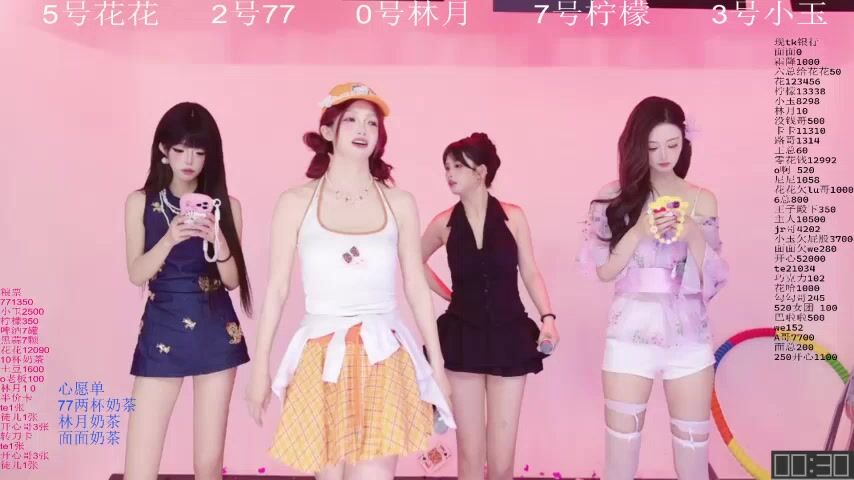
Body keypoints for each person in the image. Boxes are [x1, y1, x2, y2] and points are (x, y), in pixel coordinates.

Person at [244, 82, 455, 480]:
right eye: (352, 120)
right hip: (321, 356)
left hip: (384, 354)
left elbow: (415, 287)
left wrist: (438, 369)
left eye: (372, 123)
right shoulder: (295, 202)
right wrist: (260, 371)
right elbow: (276, 290)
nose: (363, 129)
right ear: (328, 130)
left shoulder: (400, 203)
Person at [578, 96, 728, 480]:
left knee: (693, 461)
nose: (663, 156)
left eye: (672, 145)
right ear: (636, 146)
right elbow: (604, 271)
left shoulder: (702, 199)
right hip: (629, 333)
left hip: (689, 337)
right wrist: (639, 230)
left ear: (684, 143)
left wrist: (692, 233)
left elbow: (712, 280)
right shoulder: (613, 197)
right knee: (620, 463)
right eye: (653, 146)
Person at [123, 102, 251, 480]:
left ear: (210, 155)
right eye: (180, 149)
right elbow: (136, 273)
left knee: (208, 464)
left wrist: (218, 239)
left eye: (198, 151)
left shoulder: (227, 207)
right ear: (163, 150)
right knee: (139, 466)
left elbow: (232, 281)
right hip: (161, 329)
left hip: (215, 332)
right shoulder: (140, 202)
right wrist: (169, 238)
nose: (189, 160)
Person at [421, 132, 559, 480]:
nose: (449, 174)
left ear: (481, 171)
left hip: (509, 337)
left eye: (458, 166)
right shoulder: (443, 223)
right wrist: (447, 294)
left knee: (502, 458)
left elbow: (530, 271)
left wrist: (548, 317)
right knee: (469, 454)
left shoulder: (514, 217)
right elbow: (411, 261)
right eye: (447, 167)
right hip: (462, 338)